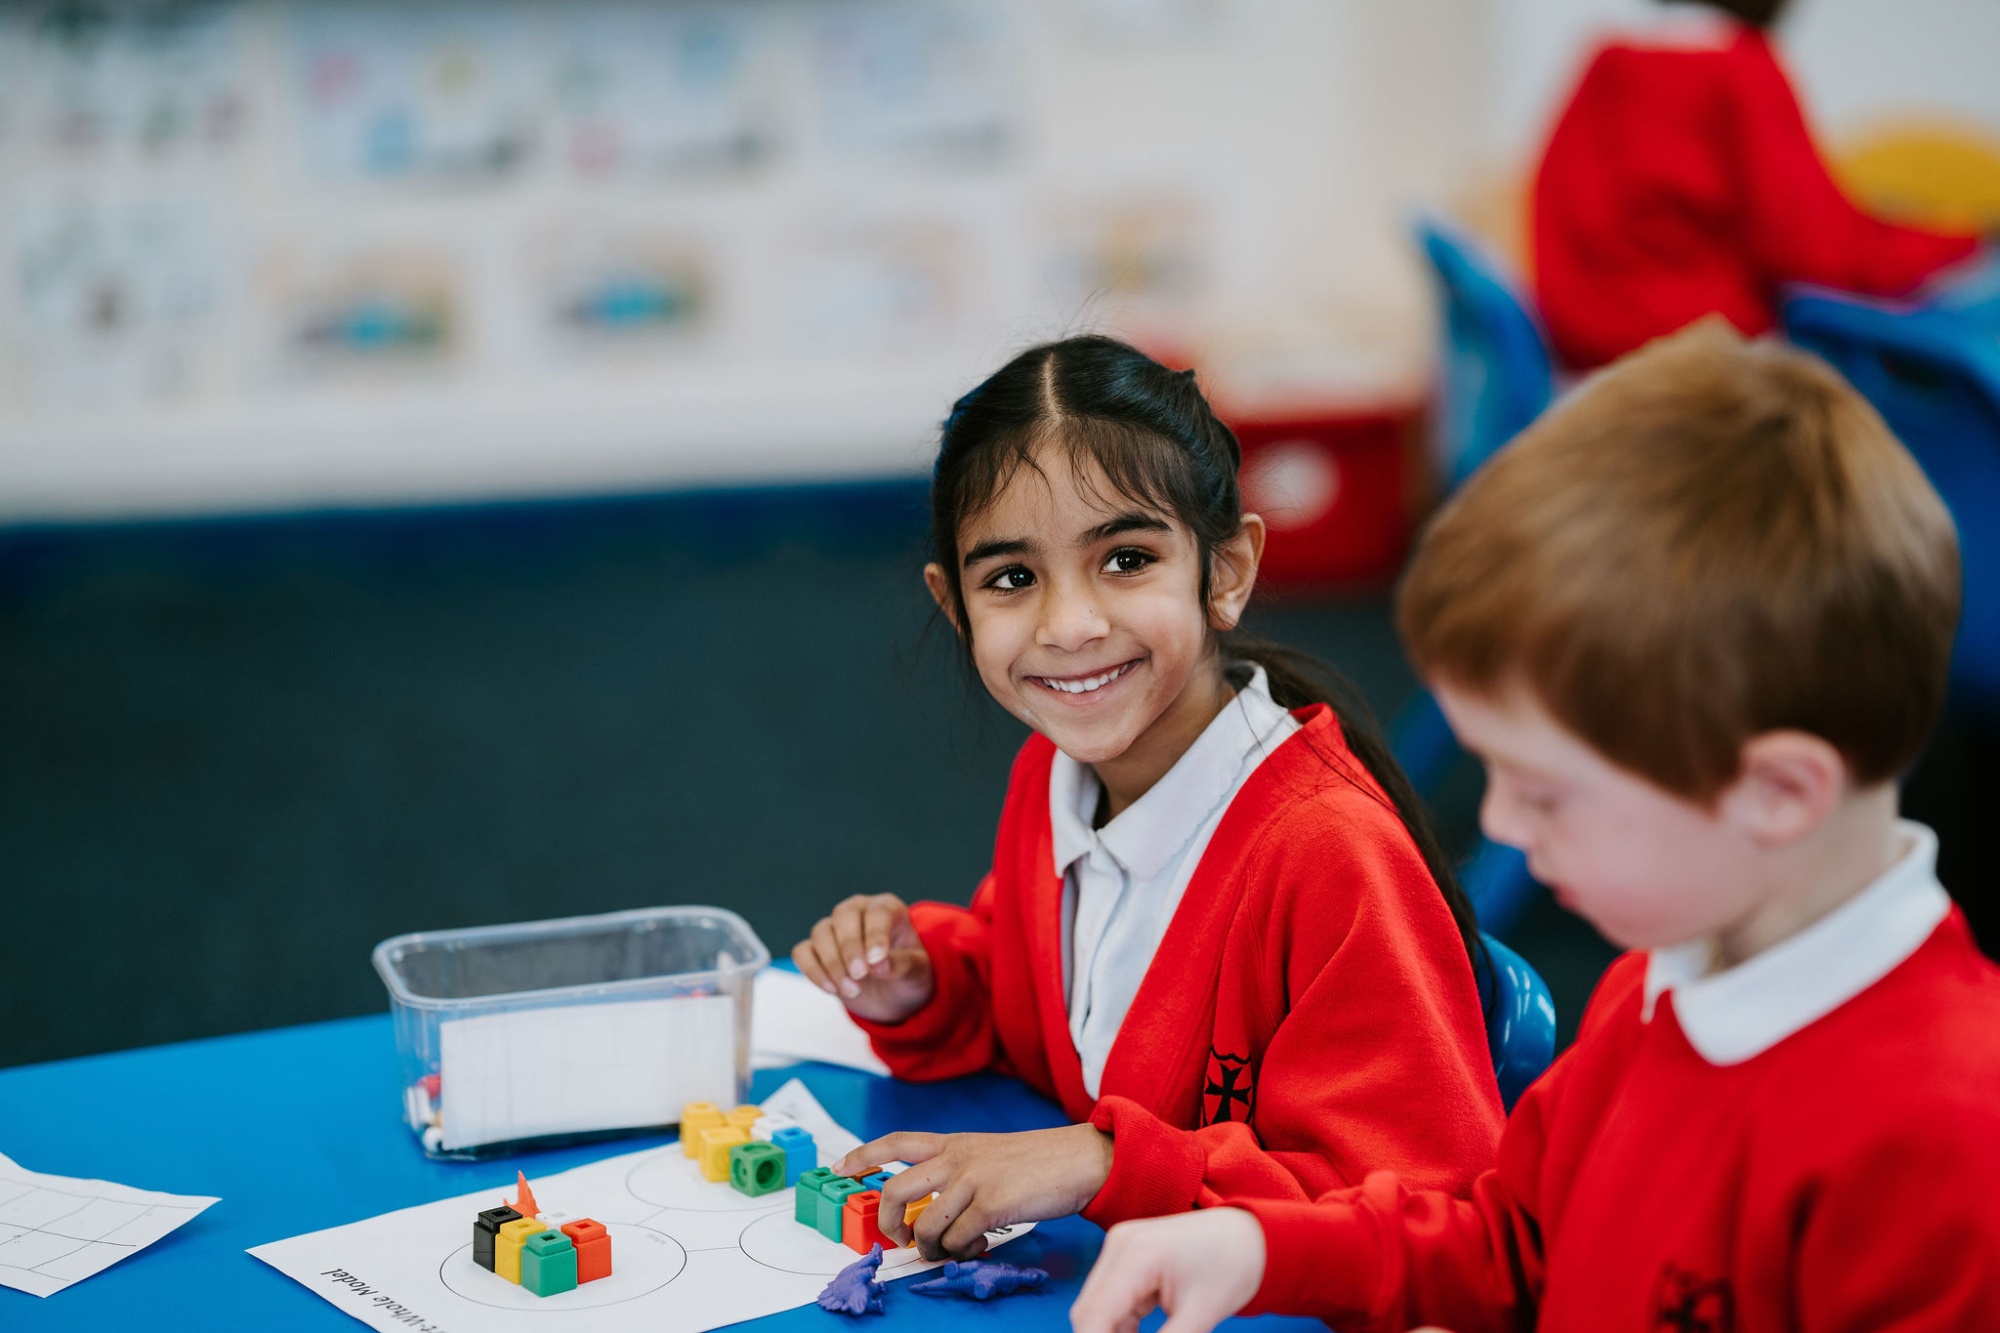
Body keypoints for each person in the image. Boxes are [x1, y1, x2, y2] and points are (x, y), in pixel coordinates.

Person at [1070, 321, 2000, 1333]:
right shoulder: (1656, 985)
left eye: (1543, 790)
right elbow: (1507, 1244)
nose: (1501, 821)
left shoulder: (1944, 1139)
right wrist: (1262, 1246)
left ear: (1775, 793)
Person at [791, 335, 1504, 1259]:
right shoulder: (1054, 775)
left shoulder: (1328, 850)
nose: (1071, 624)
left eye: (1126, 559)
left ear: (1228, 572)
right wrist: (926, 984)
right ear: (953, 604)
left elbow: (1439, 1223)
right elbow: (1041, 1004)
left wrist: (1103, 1161)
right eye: (1011, 579)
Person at [1533, 0, 1986, 370]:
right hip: (1704, 362)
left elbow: (1555, 212)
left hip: (1582, 359)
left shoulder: (1607, 66)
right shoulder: (1742, 72)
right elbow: (1817, 254)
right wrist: (1964, 242)